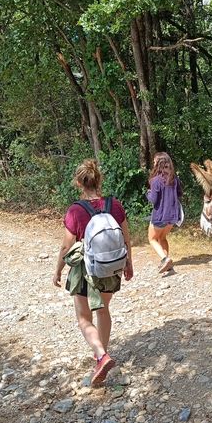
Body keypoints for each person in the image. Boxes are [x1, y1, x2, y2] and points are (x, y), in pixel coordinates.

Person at [53, 159, 133, 387]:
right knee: (103, 310)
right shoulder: (114, 205)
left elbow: (66, 247)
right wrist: (129, 264)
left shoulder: (75, 211)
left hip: (85, 271)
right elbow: (126, 239)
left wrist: (58, 270)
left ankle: (101, 355)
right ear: (99, 180)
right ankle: (102, 356)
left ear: (79, 183)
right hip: (111, 267)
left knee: (84, 318)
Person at [147, 152, 183, 274]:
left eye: (154, 162)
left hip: (160, 216)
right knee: (162, 237)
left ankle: (165, 259)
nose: (153, 164)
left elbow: (153, 200)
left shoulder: (155, 181)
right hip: (173, 217)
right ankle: (168, 265)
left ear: (158, 164)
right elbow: (179, 193)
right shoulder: (174, 179)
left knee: (152, 239)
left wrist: (148, 193)